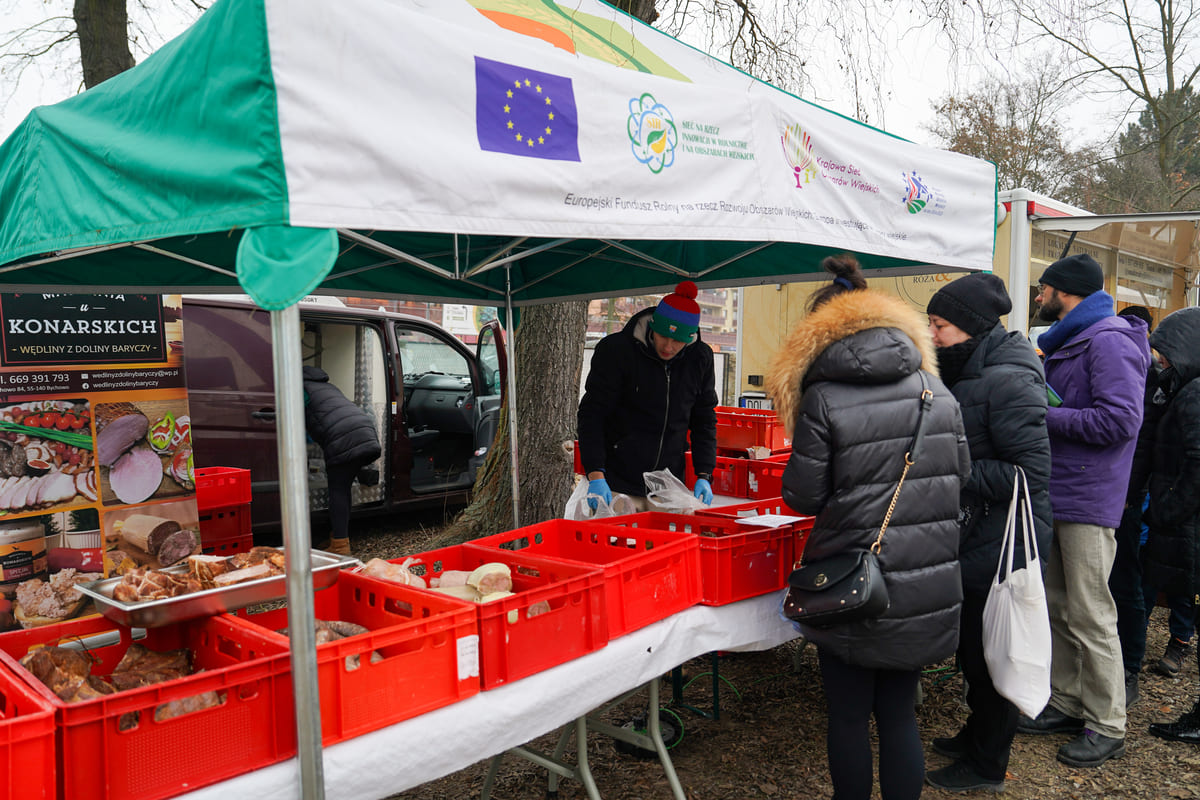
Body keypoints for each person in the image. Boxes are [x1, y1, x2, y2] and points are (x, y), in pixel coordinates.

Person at [766, 254, 970, 800]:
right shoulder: (937, 391)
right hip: (925, 579)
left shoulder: (824, 397)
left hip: (850, 577)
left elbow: (803, 496)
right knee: (900, 713)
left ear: (819, 333)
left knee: (850, 715)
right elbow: (963, 475)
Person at [1017, 254, 1150, 768]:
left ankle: (1108, 724)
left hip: (1089, 499)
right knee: (1059, 606)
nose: (1038, 297)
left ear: (1064, 291)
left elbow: (1120, 421)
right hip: (1064, 491)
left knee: (1092, 613)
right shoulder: (1077, 338)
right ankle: (1068, 702)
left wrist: (1044, 415)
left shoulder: (1109, 341)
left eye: (1043, 289)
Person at [923, 273, 1053, 793]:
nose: (932, 335)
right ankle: (976, 735)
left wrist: (953, 468)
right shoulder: (970, 369)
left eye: (940, 325)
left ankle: (987, 764)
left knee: (992, 651)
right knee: (974, 649)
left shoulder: (1009, 380)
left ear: (971, 327)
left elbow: (1030, 475)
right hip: (977, 532)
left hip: (1003, 540)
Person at [577, 280, 718, 510]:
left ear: (690, 338)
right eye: (663, 336)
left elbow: (704, 419)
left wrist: (704, 473)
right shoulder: (617, 351)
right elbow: (592, 415)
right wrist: (596, 474)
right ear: (653, 327)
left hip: (667, 483)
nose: (668, 347)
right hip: (616, 481)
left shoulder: (700, 359)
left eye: (677, 341)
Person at [1138, 307, 1200, 744]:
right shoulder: (1184, 389)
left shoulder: (1194, 394)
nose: (1160, 361)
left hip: (1189, 528)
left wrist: (1164, 510)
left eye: (1165, 353)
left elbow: (1196, 464)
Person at [1107, 305, 1164, 708]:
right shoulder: (1141, 372)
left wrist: (1133, 493)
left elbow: (1143, 441)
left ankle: (1128, 669)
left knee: (1125, 581)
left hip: (1126, 494)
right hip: (1110, 490)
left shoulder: (1149, 376)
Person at [302, 365, 382, 555]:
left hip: (344, 438)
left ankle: (340, 545)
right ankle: (338, 537)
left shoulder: (301, 389)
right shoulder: (329, 387)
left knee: (338, 490)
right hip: (366, 432)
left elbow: (297, 418)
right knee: (343, 489)